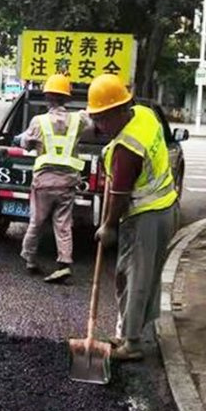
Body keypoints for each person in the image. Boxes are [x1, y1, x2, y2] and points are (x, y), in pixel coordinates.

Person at [87, 74, 179, 361]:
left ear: (117, 111)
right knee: (146, 275)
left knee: (132, 278)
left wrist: (108, 226)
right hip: (166, 207)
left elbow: (120, 194)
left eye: (102, 119)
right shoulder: (144, 114)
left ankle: (132, 343)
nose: (99, 126)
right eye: (96, 118)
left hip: (145, 216)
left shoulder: (126, 149)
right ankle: (137, 329)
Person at [17, 73, 95, 283]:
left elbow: (25, 143)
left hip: (43, 182)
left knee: (37, 221)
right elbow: (91, 127)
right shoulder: (78, 120)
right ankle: (64, 263)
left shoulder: (38, 121)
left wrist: (29, 140)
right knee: (63, 223)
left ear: (47, 97)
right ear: (67, 98)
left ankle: (30, 259)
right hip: (67, 182)